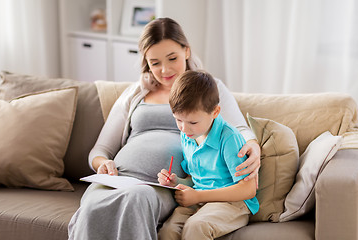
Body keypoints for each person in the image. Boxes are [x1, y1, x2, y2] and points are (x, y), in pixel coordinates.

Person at [68, 17, 261, 240]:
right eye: (155, 62)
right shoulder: (134, 94)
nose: (165, 70)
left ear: (186, 51)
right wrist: (103, 164)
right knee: (93, 205)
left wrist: (253, 146)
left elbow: (240, 129)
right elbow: (100, 149)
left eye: (172, 58)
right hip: (118, 179)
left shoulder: (208, 89)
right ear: (146, 62)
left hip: (157, 186)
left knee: (135, 199)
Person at [157, 70, 259, 240]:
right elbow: (197, 178)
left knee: (196, 227)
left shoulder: (229, 138)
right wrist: (176, 182)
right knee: (167, 232)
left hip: (232, 203)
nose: (184, 128)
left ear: (215, 112)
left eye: (192, 122)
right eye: (178, 120)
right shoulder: (188, 136)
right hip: (199, 198)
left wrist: (198, 196)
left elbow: (248, 189)